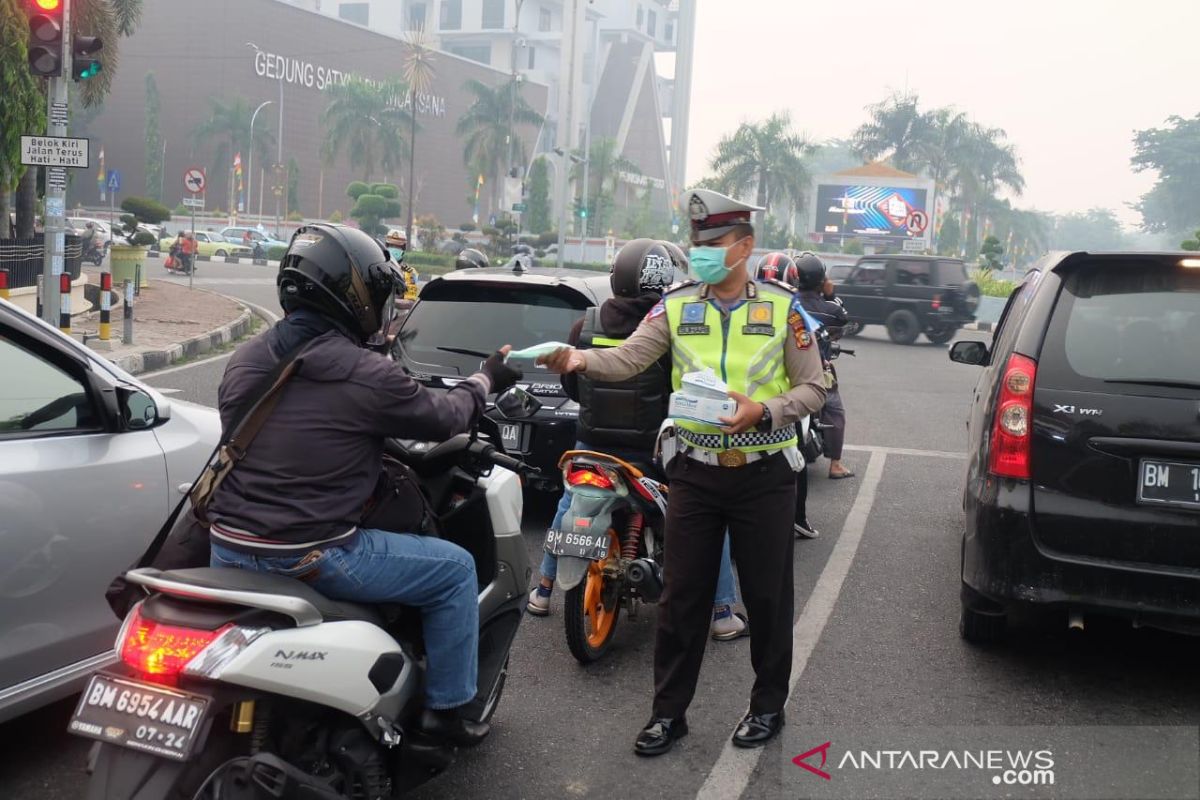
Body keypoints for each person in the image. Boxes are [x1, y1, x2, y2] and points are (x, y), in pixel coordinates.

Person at [206, 223, 521, 747]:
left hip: (229, 546)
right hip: (310, 553)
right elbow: (444, 417)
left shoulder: (247, 358)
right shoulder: (363, 372)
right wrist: (486, 378)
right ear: (353, 295)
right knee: (454, 570)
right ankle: (445, 713)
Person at [540, 189, 826, 755]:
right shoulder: (674, 305)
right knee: (681, 599)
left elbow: (816, 387)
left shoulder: (783, 309)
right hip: (694, 472)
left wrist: (764, 410)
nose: (701, 253)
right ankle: (668, 714)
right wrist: (579, 359)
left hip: (764, 474)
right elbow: (628, 358)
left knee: (767, 599)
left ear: (744, 246)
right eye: (697, 243)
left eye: (714, 243)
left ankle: (768, 706)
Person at [526, 239, 749, 641]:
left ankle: (542, 591)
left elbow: (572, 386)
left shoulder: (586, 324)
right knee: (710, 517)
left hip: (592, 448)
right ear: (663, 279)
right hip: (654, 456)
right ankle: (721, 612)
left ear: (617, 278)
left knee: (567, 503)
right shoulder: (670, 325)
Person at [754, 252, 821, 538]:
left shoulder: (741, 307)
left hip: (745, 408)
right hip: (780, 406)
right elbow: (813, 372)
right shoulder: (794, 311)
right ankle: (799, 517)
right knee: (798, 455)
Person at [794, 252, 854, 480]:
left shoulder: (787, 304)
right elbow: (844, 319)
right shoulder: (830, 310)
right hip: (818, 369)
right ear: (821, 280)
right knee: (835, 410)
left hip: (788, 370)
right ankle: (835, 464)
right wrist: (832, 293)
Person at [384, 229, 419, 300]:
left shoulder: (410, 272)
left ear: (403, 248)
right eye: (391, 245)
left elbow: (409, 301)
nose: (393, 249)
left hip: (398, 310)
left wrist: (390, 302)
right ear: (386, 246)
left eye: (397, 246)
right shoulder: (379, 267)